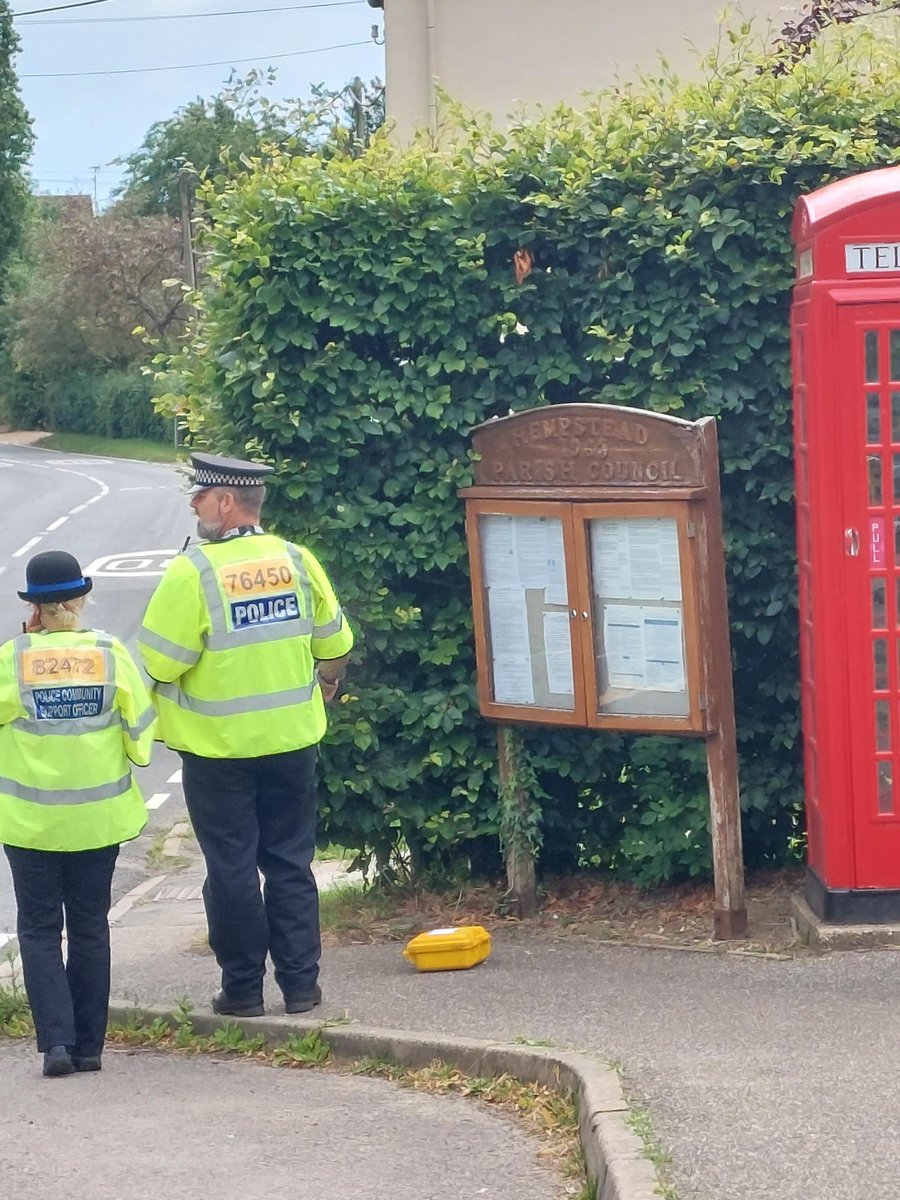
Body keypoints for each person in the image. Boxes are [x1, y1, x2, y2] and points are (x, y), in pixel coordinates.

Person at [138, 452, 353, 1018]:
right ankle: (302, 989)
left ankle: (242, 991)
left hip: (218, 752)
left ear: (227, 502)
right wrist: (327, 685)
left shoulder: (194, 573)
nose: (194, 505)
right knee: (290, 863)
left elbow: (159, 664)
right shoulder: (297, 560)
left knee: (231, 868)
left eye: (201, 496)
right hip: (292, 744)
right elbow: (334, 646)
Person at [0, 551, 155, 1077]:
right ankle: (90, 1047)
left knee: (40, 929)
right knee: (90, 927)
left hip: (31, 825)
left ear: (36, 607)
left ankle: (57, 1046)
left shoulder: (13, 659)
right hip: (99, 820)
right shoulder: (110, 652)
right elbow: (141, 734)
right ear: (80, 599)